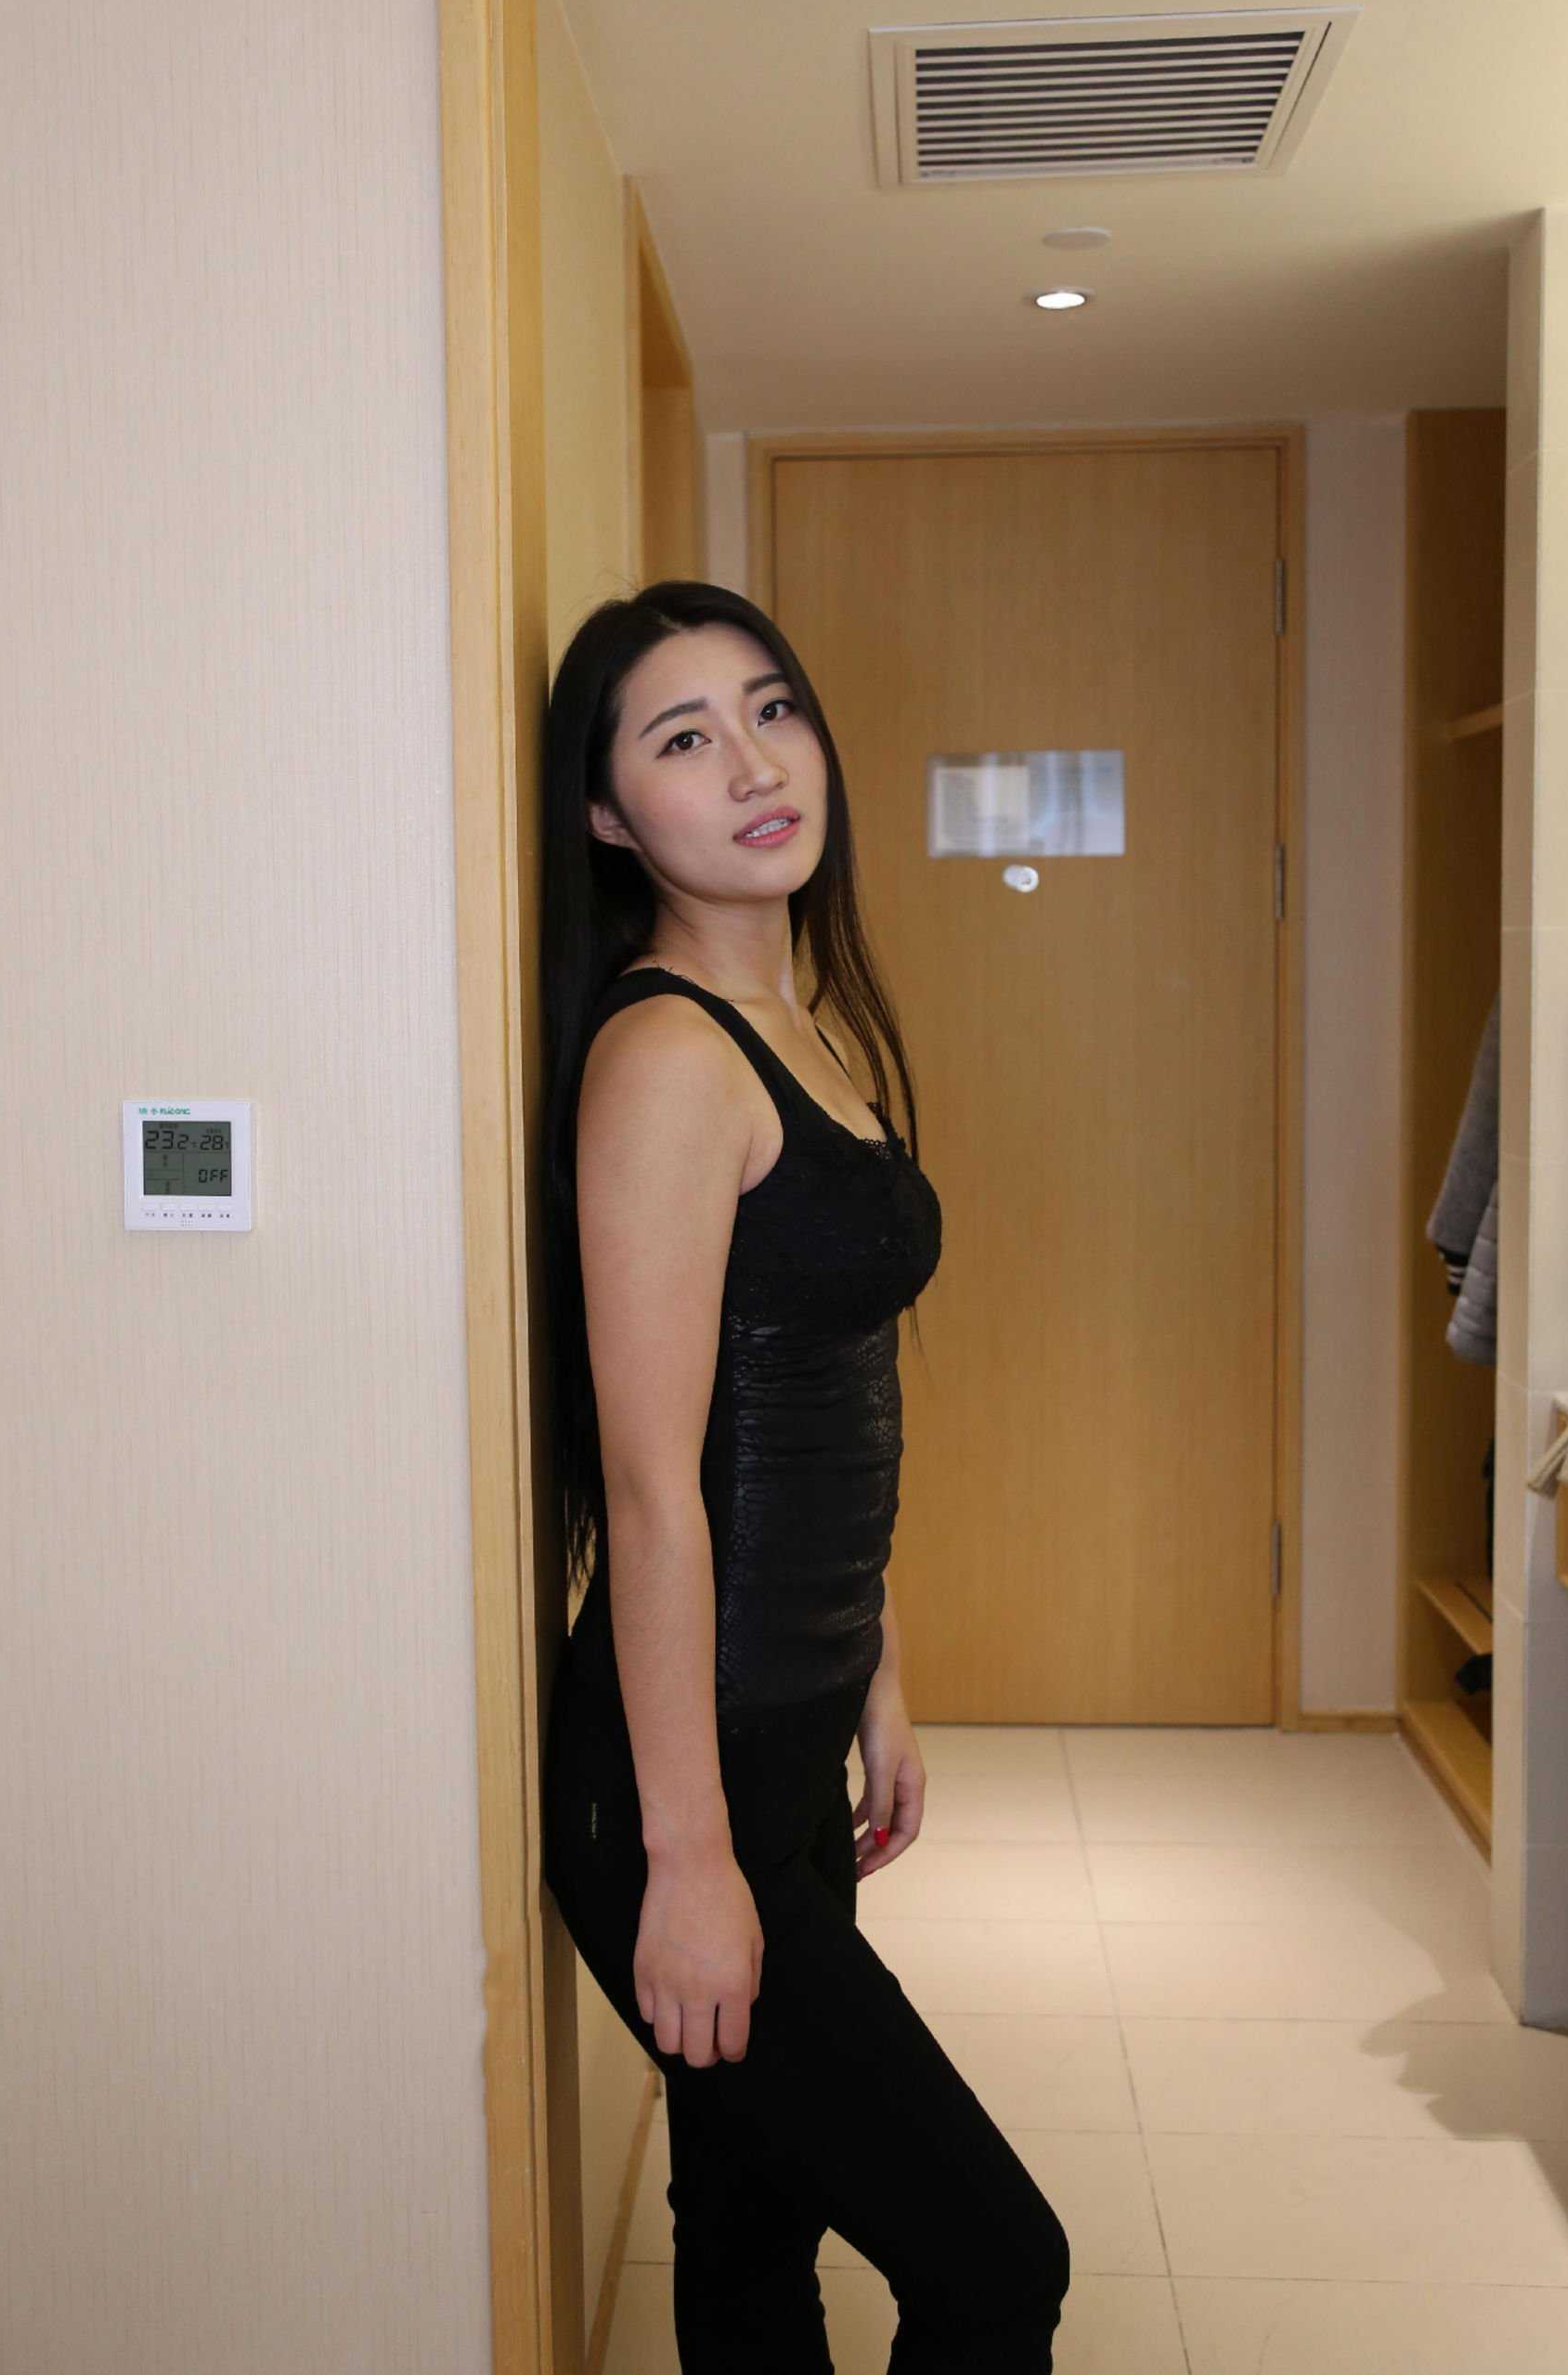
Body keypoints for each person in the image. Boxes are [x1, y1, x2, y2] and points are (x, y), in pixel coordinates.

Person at [538, 580, 1070, 2371]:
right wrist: (688, 1856)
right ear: (609, 814)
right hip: (678, 1772)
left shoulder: (809, 1028)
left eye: (772, 710)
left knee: (749, 2219)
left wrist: (877, 1676)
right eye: (685, 738)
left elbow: (825, 1394)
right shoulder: (666, 1056)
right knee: (998, 2261)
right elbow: (654, 1482)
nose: (757, 764)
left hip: (781, 1723)